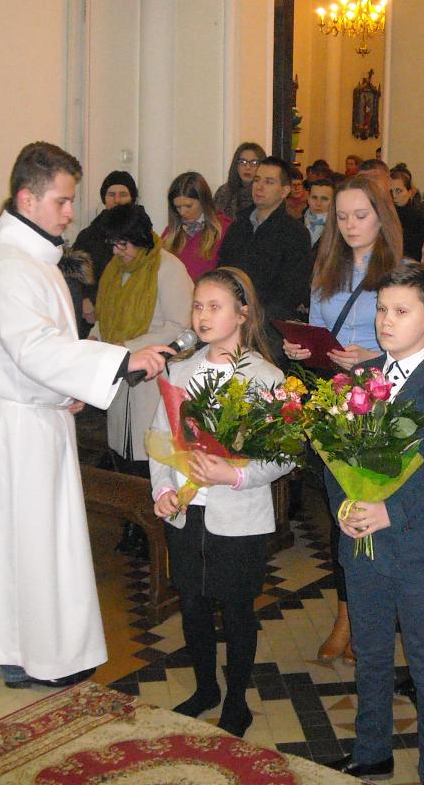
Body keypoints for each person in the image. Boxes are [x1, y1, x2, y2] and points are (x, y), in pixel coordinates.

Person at [0, 142, 171, 688]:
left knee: (30, 542)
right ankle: (29, 656)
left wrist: (66, 388)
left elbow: (32, 354)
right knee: (26, 544)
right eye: (62, 201)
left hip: (31, 417)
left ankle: (33, 650)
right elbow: (35, 349)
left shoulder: (30, 260)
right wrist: (121, 361)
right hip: (14, 428)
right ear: (27, 199)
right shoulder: (9, 267)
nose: (70, 212)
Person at [325, 263, 424, 785]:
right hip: (362, 544)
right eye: (381, 309)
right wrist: (344, 508)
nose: (385, 321)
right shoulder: (360, 379)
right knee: (371, 653)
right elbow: (334, 456)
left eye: (400, 311)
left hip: (420, 547)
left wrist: (392, 510)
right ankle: (372, 750)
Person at [152, 267, 295, 738]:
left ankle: (236, 701)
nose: (203, 315)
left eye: (215, 306)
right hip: (185, 511)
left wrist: (233, 474)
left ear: (243, 313)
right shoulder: (179, 370)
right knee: (192, 605)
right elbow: (158, 437)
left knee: (236, 611)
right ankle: (205, 689)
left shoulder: (266, 376)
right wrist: (162, 490)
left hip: (237, 517)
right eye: (198, 306)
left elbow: (283, 455)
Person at [284, 174, 404, 664]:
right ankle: (345, 616)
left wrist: (372, 356)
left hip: (385, 402)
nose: (351, 225)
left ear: (381, 217)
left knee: (381, 516)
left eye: (361, 215)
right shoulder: (326, 268)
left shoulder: (402, 271)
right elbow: (320, 334)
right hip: (338, 400)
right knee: (342, 514)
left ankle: (377, 618)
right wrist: (303, 348)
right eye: (342, 217)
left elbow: (418, 345)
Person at [92, 204, 193, 473]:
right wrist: (94, 339)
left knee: (150, 456)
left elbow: (180, 325)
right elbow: (106, 316)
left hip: (153, 375)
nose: (116, 251)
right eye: (112, 244)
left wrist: (128, 347)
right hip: (119, 371)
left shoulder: (168, 268)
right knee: (122, 454)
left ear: (140, 238)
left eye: (122, 244)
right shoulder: (115, 269)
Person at [216, 156, 313, 352]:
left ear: (284, 191)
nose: (259, 187)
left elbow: (291, 291)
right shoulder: (239, 224)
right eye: (257, 180)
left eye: (269, 182)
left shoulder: (295, 233)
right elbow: (222, 270)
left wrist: (251, 314)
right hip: (230, 318)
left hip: (268, 328)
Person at [71, 170, 140, 330]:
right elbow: (73, 274)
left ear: (132, 198)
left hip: (132, 313)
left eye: (123, 194)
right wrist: (84, 300)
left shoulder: (142, 235)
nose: (117, 200)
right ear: (104, 198)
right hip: (92, 315)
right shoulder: (88, 236)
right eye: (111, 194)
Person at [160, 171, 231, 281]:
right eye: (178, 207)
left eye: (188, 206)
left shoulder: (224, 229)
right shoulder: (169, 233)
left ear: (203, 201)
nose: (183, 212)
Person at [214, 142, 265, 220]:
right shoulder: (223, 193)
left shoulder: (264, 194)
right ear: (236, 165)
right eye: (242, 162)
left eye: (254, 163)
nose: (247, 167)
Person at [389, 165, 424, 260]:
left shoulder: (417, 217)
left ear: (409, 192)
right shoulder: (385, 214)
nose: (394, 196)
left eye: (398, 191)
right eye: (390, 191)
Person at [302, 177, 334, 248]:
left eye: (324, 199)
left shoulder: (339, 228)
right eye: (314, 198)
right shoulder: (295, 226)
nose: (318, 203)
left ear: (333, 201)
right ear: (308, 199)